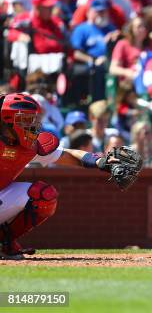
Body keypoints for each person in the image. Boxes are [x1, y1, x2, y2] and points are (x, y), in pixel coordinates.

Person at [0, 92, 130, 259]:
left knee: (44, 195)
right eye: (25, 119)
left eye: (33, 119)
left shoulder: (30, 146)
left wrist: (101, 162)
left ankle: (6, 242)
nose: (32, 124)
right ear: (7, 120)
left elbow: (67, 155)